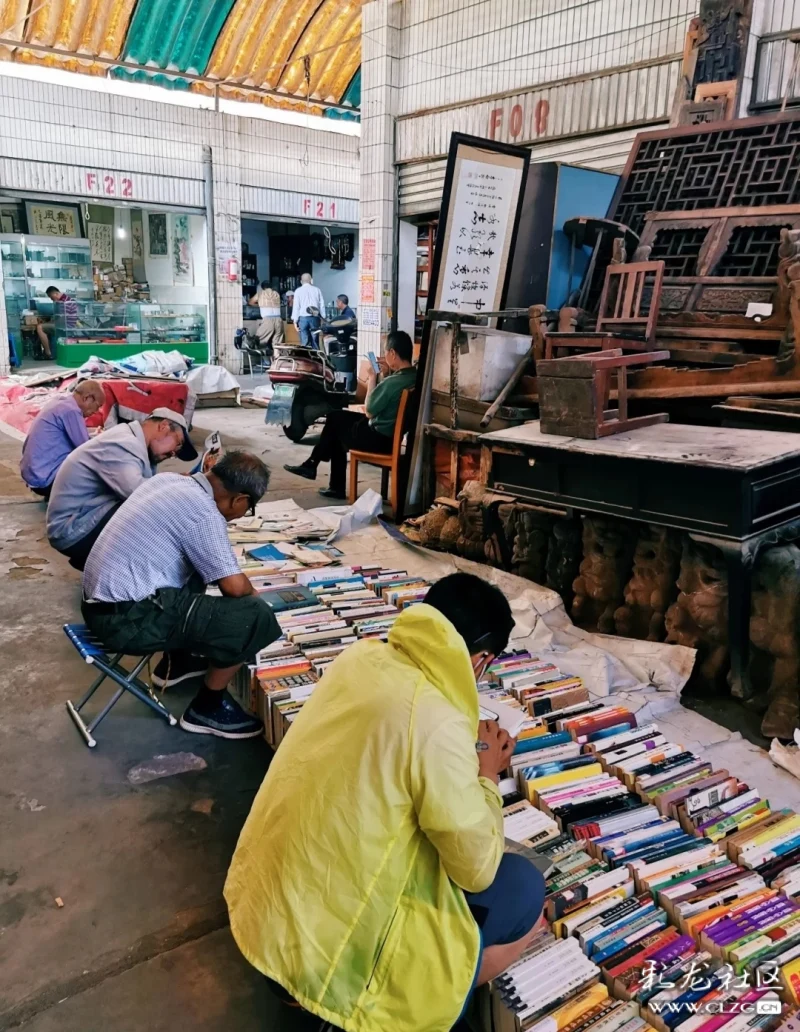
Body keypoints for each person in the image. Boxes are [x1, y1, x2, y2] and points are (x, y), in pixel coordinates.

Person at [225, 572, 546, 1032]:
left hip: (266, 912)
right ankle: (383, 1009)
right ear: (479, 661)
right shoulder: (437, 720)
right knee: (524, 890)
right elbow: (476, 867)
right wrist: (487, 774)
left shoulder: (359, 656)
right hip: (331, 957)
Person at [82, 450, 279, 740]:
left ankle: (176, 665)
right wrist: (257, 596)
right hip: (127, 623)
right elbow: (234, 588)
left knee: (199, 568)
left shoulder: (167, 481)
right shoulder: (203, 512)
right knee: (255, 616)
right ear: (241, 500)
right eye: (248, 509)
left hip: (99, 606)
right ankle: (206, 709)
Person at [47, 408, 196, 571]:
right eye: (178, 443)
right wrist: (177, 485)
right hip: (71, 530)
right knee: (148, 512)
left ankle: (99, 562)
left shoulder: (133, 442)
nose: (174, 453)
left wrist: (176, 482)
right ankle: (102, 566)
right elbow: (139, 494)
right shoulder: (123, 443)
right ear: (164, 426)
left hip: (81, 520)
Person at [284, 329, 416, 499]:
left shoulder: (393, 383)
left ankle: (315, 466)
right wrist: (384, 375)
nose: (384, 355)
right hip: (390, 436)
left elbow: (369, 411)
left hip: (378, 439)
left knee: (336, 425)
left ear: (392, 353)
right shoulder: (414, 377)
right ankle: (317, 469)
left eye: (385, 351)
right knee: (337, 418)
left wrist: (373, 378)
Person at [20, 380, 106, 499]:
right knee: (98, 472)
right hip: (45, 480)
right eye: (98, 406)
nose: (96, 411)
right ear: (87, 398)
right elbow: (86, 448)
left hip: (34, 475)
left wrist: (94, 436)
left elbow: (79, 436)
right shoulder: (71, 411)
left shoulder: (60, 401)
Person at [36, 286, 79, 360]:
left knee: (39, 327)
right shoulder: (67, 299)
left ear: (55, 294)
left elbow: (62, 320)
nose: (51, 299)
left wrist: (50, 323)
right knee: (44, 327)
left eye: (51, 296)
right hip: (65, 324)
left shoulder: (64, 302)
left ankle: (48, 353)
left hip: (66, 326)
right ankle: (46, 352)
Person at [291, 272, 325, 348]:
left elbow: (296, 307)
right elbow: (321, 305)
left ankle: (306, 358)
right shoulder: (317, 290)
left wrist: (295, 321)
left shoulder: (298, 291)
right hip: (315, 318)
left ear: (301, 281)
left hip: (303, 319)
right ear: (311, 280)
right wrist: (323, 318)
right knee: (315, 342)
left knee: (304, 342)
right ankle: (316, 358)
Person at [249, 280, 284, 351]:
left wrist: (259, 305)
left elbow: (250, 302)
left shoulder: (261, 293)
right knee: (277, 346)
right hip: (279, 321)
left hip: (268, 321)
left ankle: (263, 360)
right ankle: (277, 360)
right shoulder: (276, 294)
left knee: (257, 340)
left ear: (263, 288)